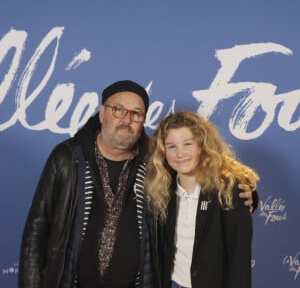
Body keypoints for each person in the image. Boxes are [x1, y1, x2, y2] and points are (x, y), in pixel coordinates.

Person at [18, 80, 256, 288]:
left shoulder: (156, 160)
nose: (126, 119)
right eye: (118, 110)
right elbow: (36, 232)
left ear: (143, 119)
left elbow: (202, 171)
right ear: (102, 113)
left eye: (136, 113)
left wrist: (247, 193)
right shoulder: (67, 157)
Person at [145, 110, 259, 288]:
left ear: (202, 146)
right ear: (163, 152)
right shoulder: (160, 191)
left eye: (188, 144)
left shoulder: (229, 191)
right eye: (171, 146)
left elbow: (239, 259)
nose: (180, 153)